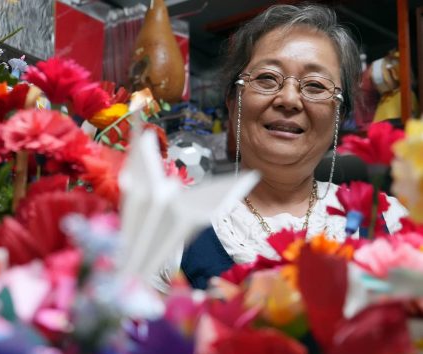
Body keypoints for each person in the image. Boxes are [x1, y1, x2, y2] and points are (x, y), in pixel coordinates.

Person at [155, 3, 407, 291]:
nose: (288, 99)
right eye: (266, 78)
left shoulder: (388, 218)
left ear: (340, 116)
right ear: (232, 101)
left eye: (315, 85)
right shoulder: (174, 224)